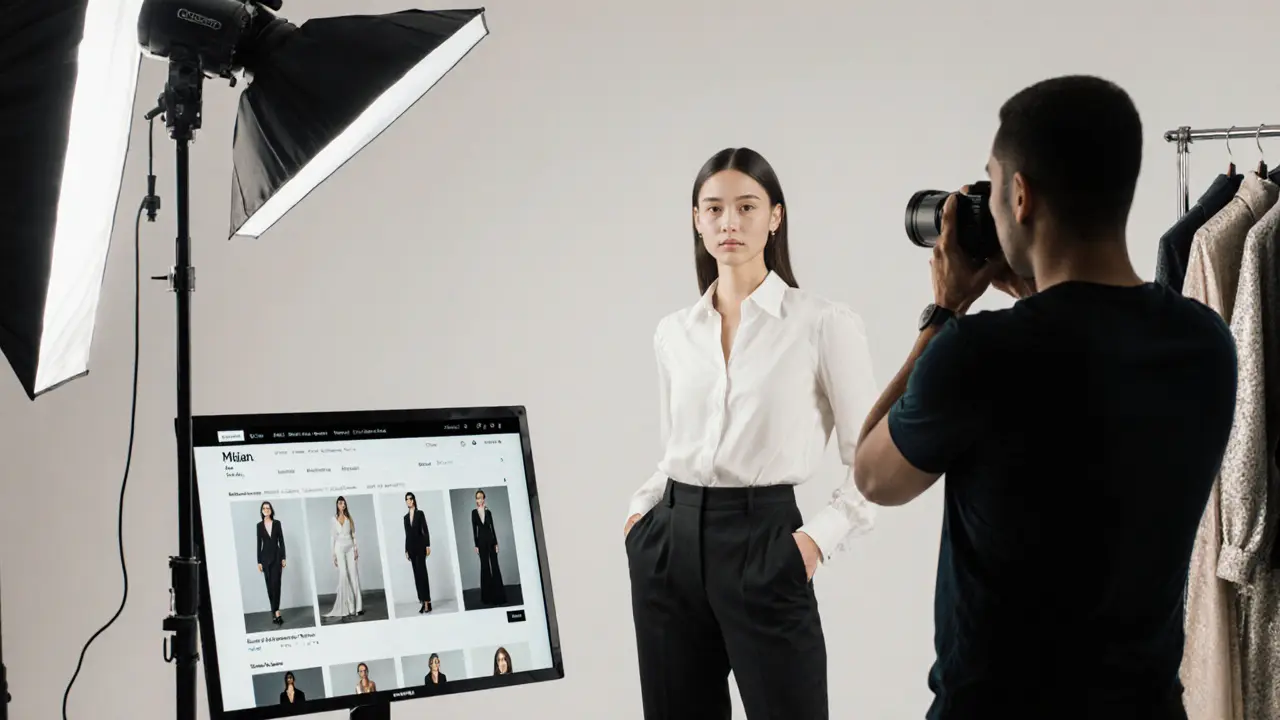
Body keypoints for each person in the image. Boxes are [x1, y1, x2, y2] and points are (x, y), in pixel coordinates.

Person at [850, 75, 1238, 719]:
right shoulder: (1205, 344)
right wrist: (1038, 299)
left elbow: (873, 474)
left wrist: (944, 310)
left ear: (1021, 196)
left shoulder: (977, 353)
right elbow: (1092, 378)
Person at [624, 147, 879, 720]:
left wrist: (816, 540)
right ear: (696, 220)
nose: (729, 223)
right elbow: (675, 451)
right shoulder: (674, 333)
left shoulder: (821, 324)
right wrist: (640, 518)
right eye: (713, 209)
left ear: (775, 217)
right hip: (669, 547)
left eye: (746, 206)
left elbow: (872, 463)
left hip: (765, 541)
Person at [325, 496, 364, 619]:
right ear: (337, 505)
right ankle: (350, 607)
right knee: (344, 576)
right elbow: (332, 537)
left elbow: (354, 534)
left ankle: (359, 607)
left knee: (354, 576)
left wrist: (356, 549)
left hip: (350, 548)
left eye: (343, 503)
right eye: (339, 503)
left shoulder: (349, 519)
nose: (341, 505)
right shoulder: (334, 519)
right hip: (339, 548)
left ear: (345, 505)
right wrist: (333, 555)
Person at [471, 490, 507, 605]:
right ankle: (487, 597)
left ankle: (499, 596)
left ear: (484, 499)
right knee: (485, 567)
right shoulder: (473, 513)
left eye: (481, 498)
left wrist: (496, 543)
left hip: (491, 541)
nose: (479, 500)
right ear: (476, 500)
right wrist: (476, 545)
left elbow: (492, 528)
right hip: (481, 543)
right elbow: (474, 530)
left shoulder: (488, 512)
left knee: (495, 566)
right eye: (477, 498)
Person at [255, 501, 286, 626]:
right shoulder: (259, 526)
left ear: (271, 510)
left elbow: (281, 541)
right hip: (265, 559)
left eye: (268, 508)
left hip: (277, 557)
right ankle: (274, 612)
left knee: (276, 584)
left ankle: (276, 612)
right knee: (269, 586)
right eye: (264, 508)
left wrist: (283, 557)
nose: (266, 509)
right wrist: (258, 561)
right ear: (262, 511)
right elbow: (258, 544)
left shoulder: (277, 523)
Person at [403, 491, 432, 613]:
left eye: (410, 499)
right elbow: (407, 534)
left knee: (422, 574)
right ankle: (422, 600)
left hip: (421, 547)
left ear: (414, 500)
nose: (409, 501)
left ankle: (427, 602)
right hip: (411, 549)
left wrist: (427, 545)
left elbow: (425, 529)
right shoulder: (405, 518)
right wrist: (406, 550)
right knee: (416, 575)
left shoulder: (420, 514)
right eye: (407, 499)